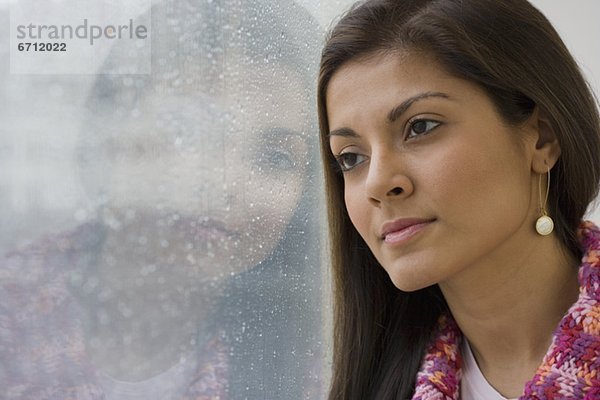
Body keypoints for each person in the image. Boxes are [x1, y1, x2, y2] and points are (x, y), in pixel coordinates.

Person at [0, 0, 323, 398]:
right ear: (114, 137)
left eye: (274, 157)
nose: (225, 183)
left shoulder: (320, 362)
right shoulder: (11, 301)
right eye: (191, 131)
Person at [317, 0, 600, 399]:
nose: (377, 183)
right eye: (351, 158)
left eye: (421, 127)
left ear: (542, 138)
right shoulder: (375, 382)